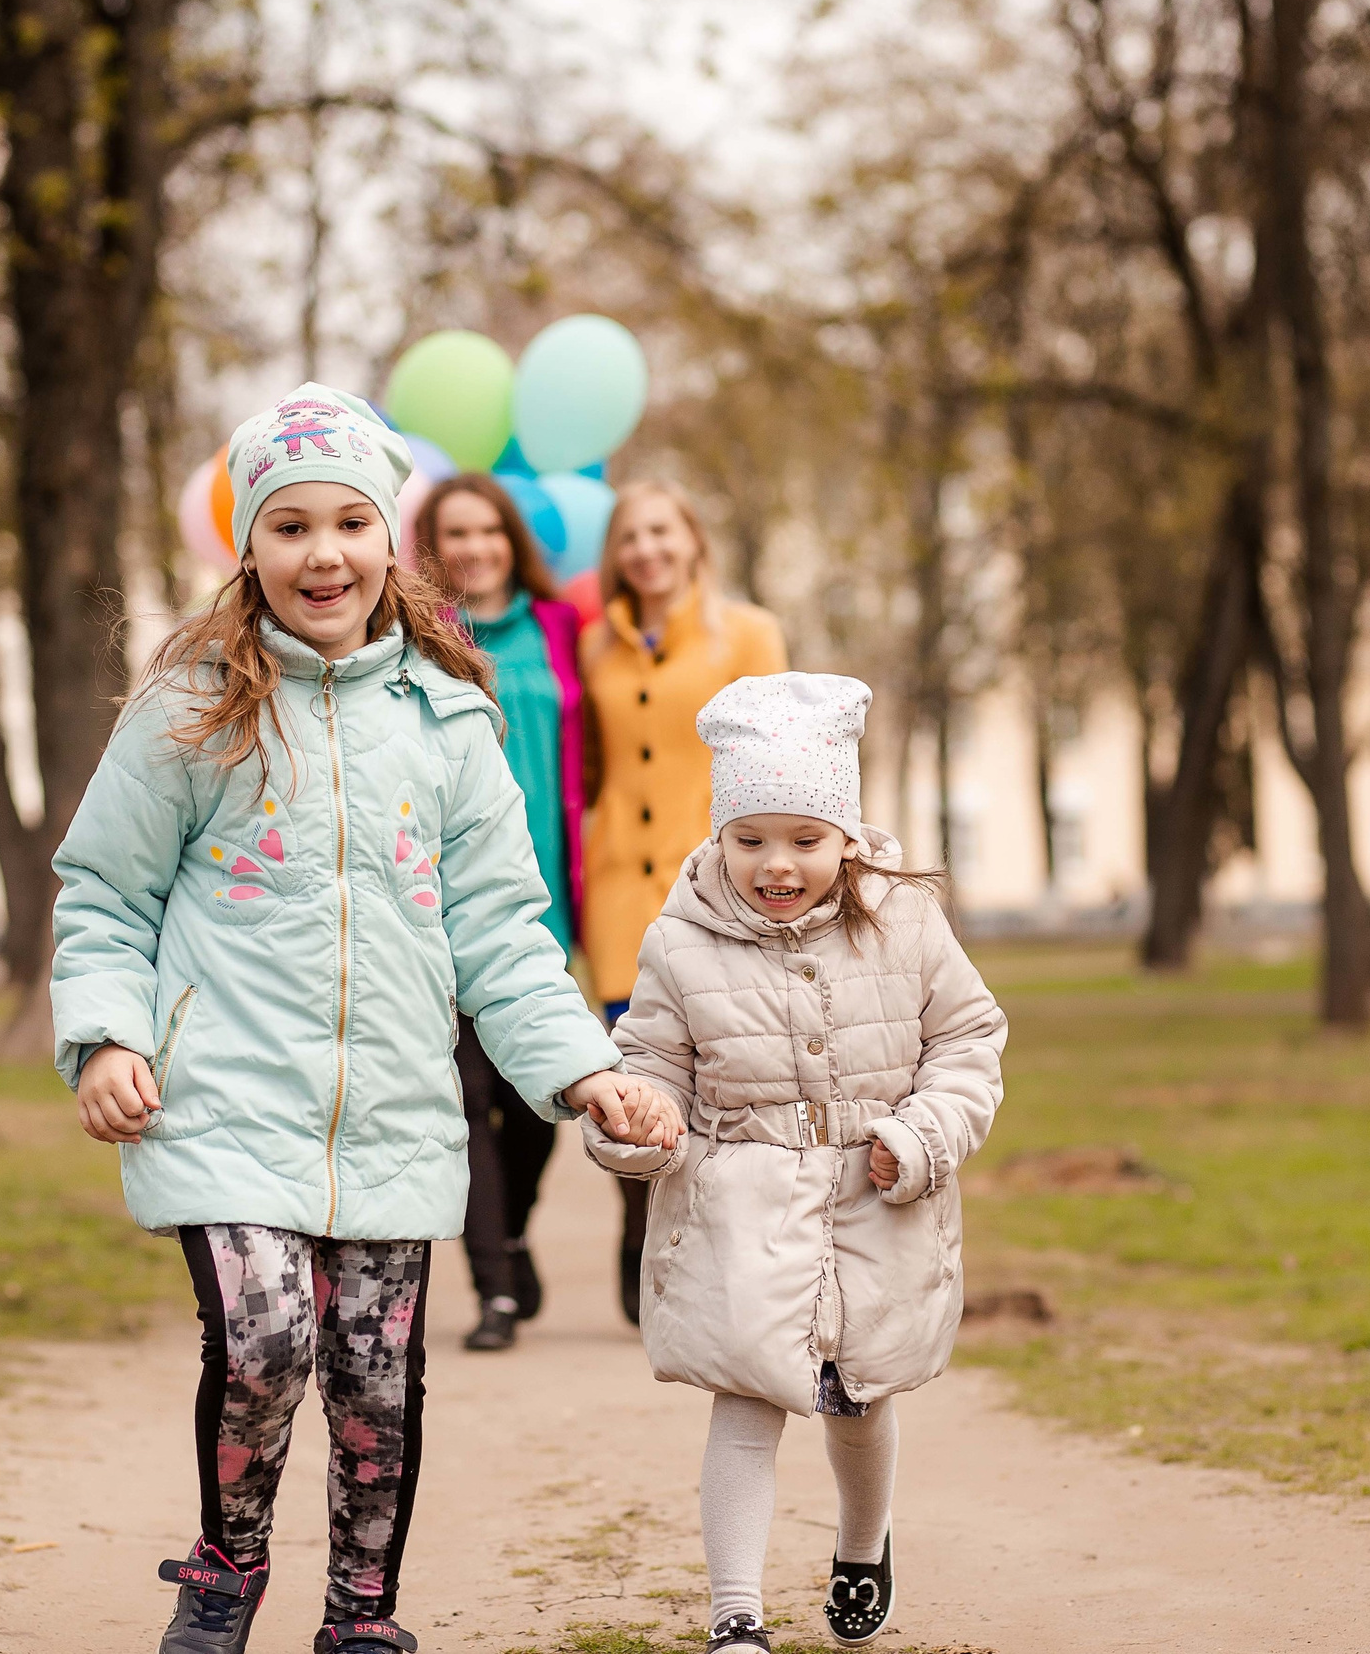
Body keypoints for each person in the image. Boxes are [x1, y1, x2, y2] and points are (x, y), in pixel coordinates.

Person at [50, 384, 682, 1654]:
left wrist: (584, 1071)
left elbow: (502, 929)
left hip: (392, 1104)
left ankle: (361, 1618)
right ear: (250, 547)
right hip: (222, 1088)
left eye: (350, 522)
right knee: (267, 1336)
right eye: (289, 527)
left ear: (389, 540)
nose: (323, 553)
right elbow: (105, 892)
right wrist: (108, 1034)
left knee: (374, 1384)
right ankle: (227, 1568)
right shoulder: (189, 712)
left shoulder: (448, 721)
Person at [584, 672, 1007, 1653]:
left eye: (805, 841)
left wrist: (921, 1135)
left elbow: (967, 1040)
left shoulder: (902, 923)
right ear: (720, 835)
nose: (777, 864)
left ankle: (862, 1544)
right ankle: (735, 1613)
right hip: (742, 1198)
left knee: (858, 1394)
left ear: (846, 838)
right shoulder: (679, 940)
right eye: (750, 839)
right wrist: (632, 1121)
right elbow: (649, 1065)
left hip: (874, 1194)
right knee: (748, 1396)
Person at [578, 481, 787, 1322]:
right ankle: (641, 1233)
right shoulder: (596, 644)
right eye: (630, 536)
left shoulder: (749, 631)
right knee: (637, 1076)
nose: (646, 550)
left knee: (731, 1076)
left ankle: (738, 1257)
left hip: (719, 886)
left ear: (692, 538)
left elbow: (783, 759)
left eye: (661, 531)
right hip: (623, 887)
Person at [412, 473, 589, 1353]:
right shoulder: (406, 638)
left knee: (533, 1095)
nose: (474, 548)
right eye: (455, 534)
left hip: (550, 896)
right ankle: (496, 1290)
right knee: (467, 1093)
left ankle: (512, 1235)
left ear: (512, 540)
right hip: (440, 903)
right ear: (430, 550)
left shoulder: (562, 632)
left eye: (488, 530)